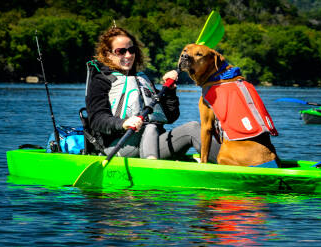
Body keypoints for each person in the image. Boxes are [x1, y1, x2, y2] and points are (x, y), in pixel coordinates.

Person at [85, 26, 220, 161]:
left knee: (193, 127)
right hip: (117, 148)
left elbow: (170, 116)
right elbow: (97, 120)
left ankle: (227, 164)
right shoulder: (100, 80)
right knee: (149, 126)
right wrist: (123, 123)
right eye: (121, 51)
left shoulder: (142, 79)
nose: (128, 55)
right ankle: (153, 168)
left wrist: (170, 92)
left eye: (131, 50)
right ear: (108, 54)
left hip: (152, 140)